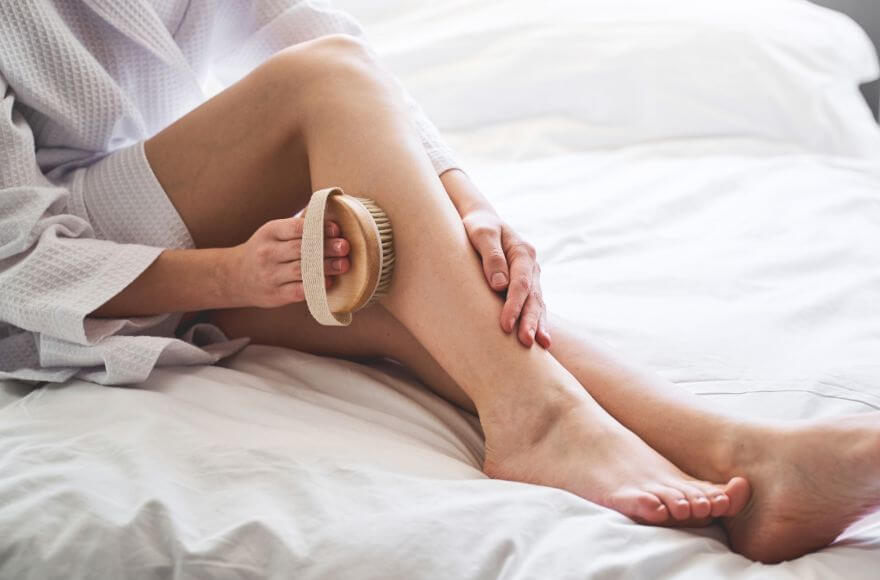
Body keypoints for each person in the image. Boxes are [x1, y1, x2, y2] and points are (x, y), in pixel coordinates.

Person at [1, 0, 878, 565]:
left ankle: (748, 456)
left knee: (418, 286)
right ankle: (537, 420)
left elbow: (319, 34)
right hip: (57, 287)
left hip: (166, 219)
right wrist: (231, 270)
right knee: (321, 89)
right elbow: (13, 261)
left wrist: (469, 205)